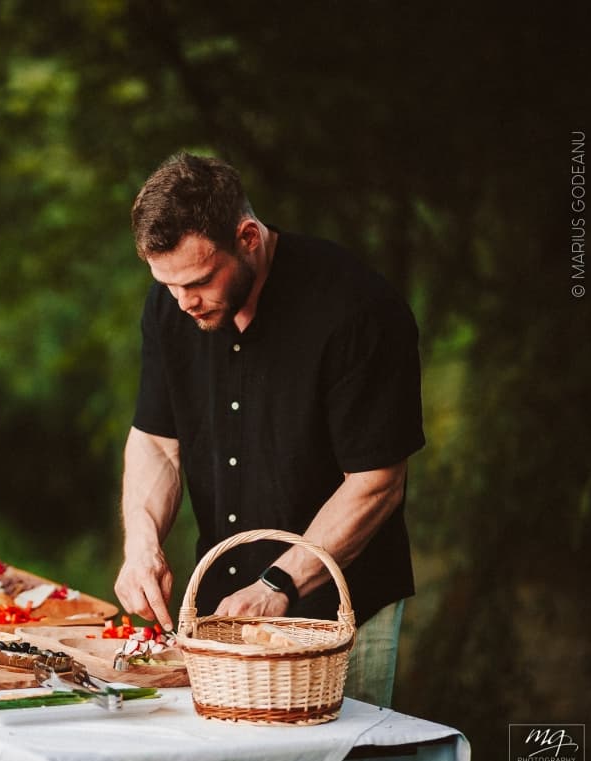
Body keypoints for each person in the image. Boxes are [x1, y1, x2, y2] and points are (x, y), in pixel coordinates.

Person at [114, 153, 424, 706]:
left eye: (200, 281)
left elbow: (376, 481)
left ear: (249, 238)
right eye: (168, 285)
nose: (184, 302)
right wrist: (141, 545)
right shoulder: (173, 304)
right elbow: (158, 442)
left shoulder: (358, 310)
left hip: (340, 620)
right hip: (219, 615)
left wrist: (278, 584)